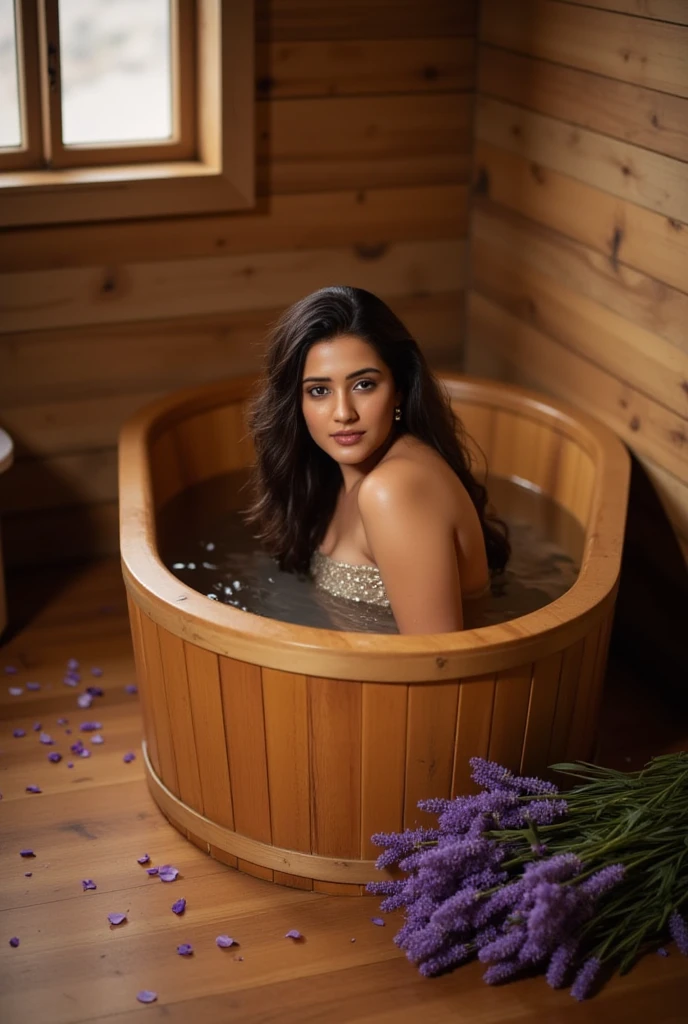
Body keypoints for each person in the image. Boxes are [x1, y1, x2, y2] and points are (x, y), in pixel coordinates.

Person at [245, 285, 510, 634]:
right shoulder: (334, 476)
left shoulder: (393, 489)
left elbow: (437, 660)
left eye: (364, 385)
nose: (343, 413)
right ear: (296, 402)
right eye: (319, 391)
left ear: (398, 387)